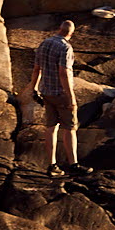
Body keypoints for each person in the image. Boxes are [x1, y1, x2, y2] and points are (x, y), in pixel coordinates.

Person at [32, 20, 81, 176]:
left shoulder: (44, 43)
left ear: (59, 29)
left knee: (51, 127)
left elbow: (36, 68)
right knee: (70, 128)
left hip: (46, 92)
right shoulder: (65, 47)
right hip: (61, 94)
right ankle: (73, 165)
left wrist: (34, 88)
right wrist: (71, 97)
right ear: (71, 33)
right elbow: (63, 73)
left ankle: (52, 165)